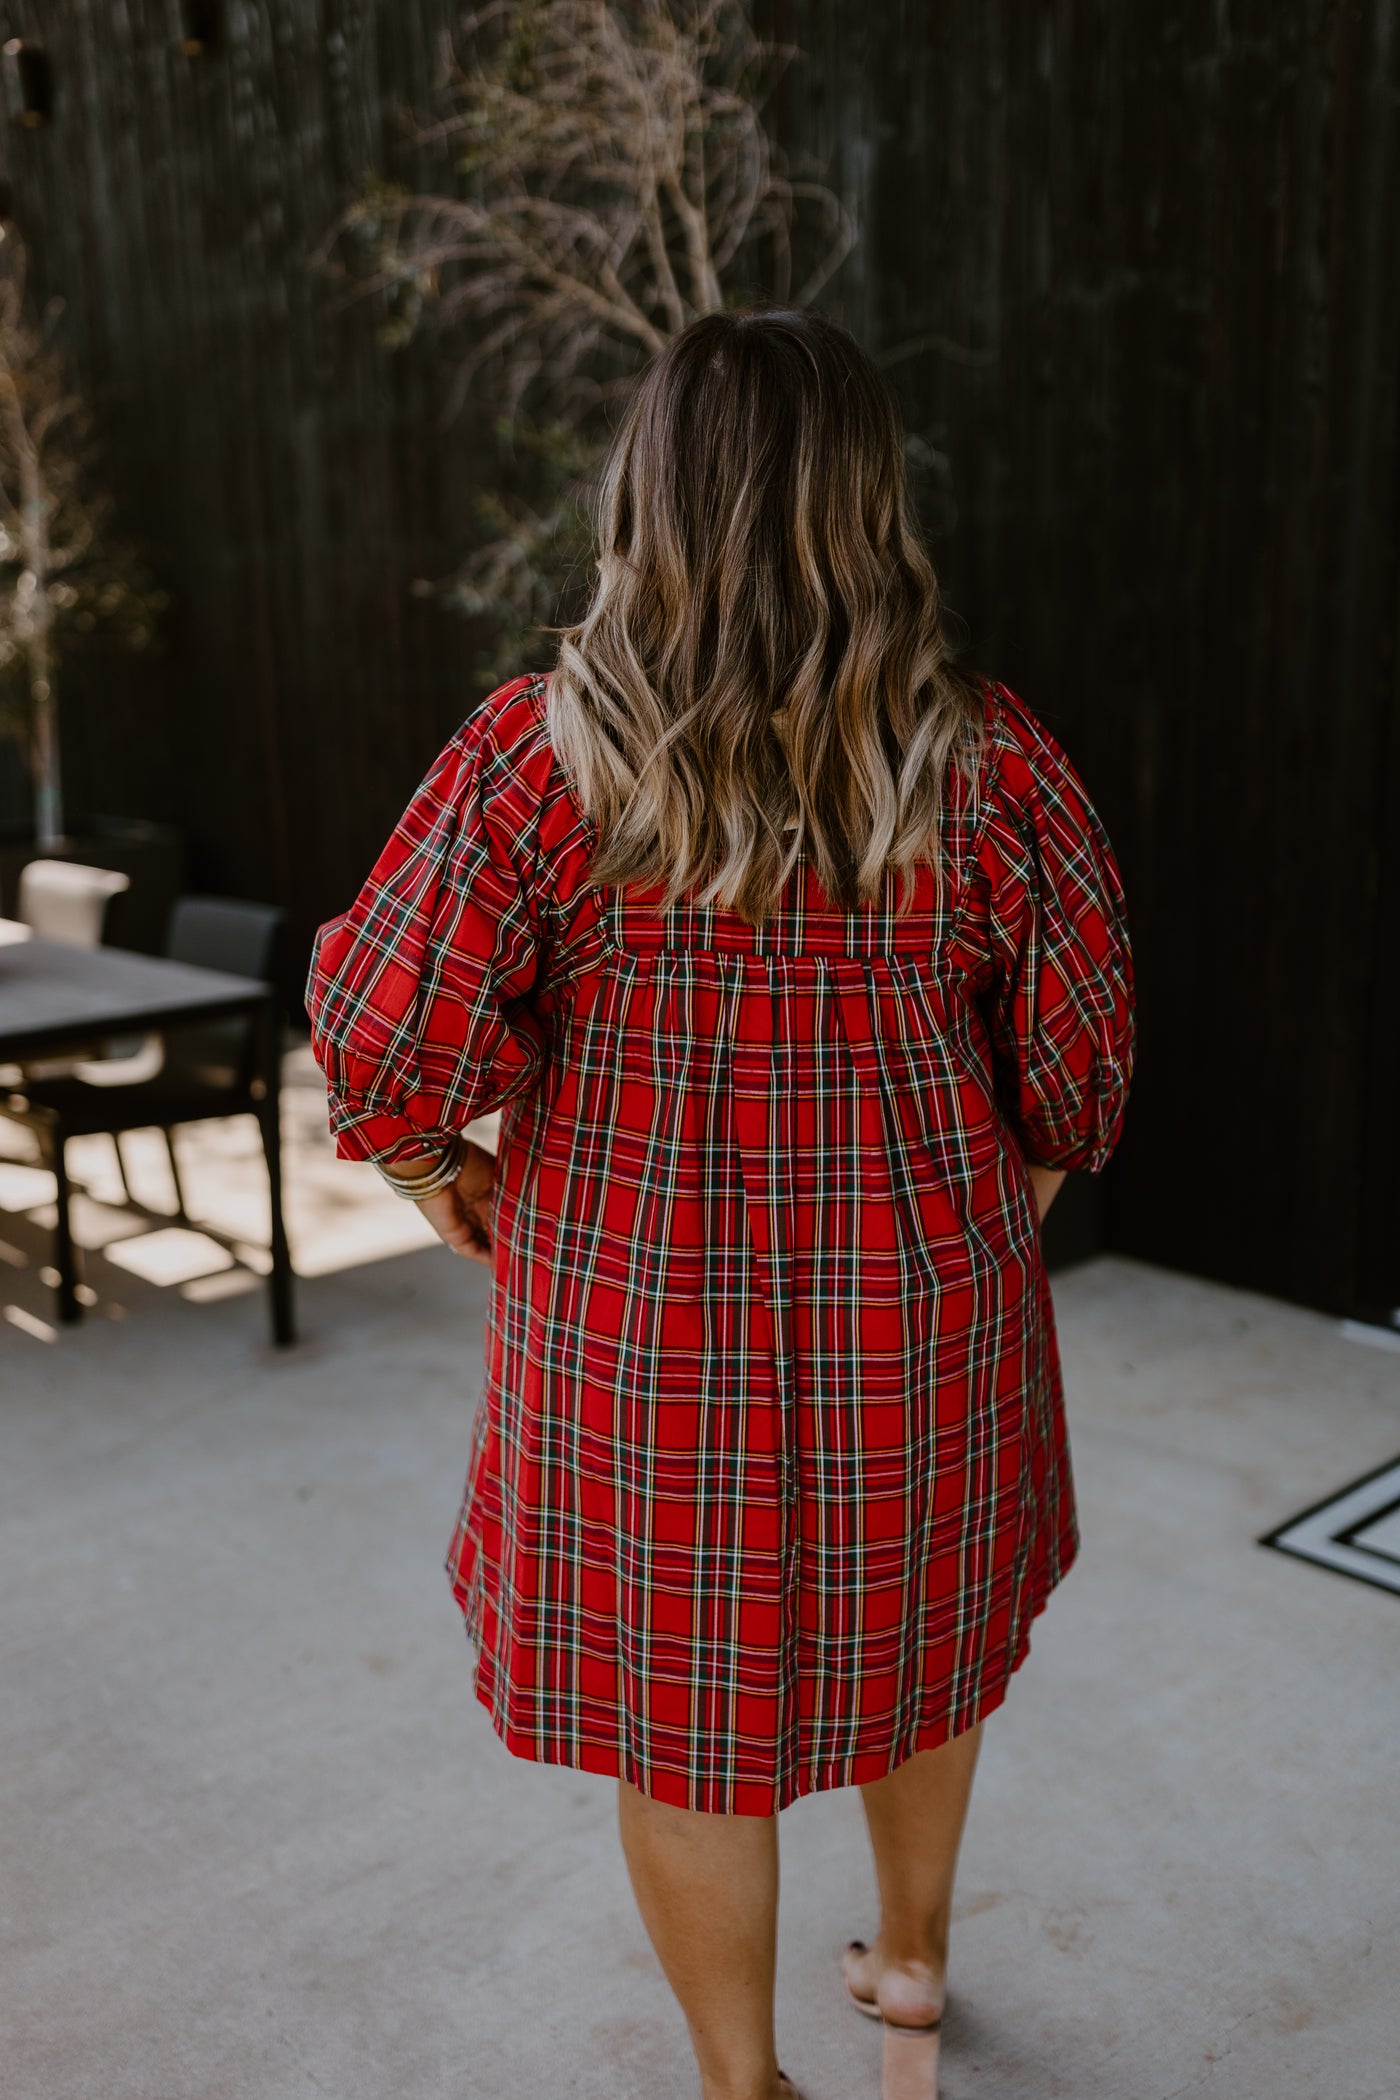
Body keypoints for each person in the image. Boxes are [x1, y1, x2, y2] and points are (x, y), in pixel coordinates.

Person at [306, 306, 1135, 2100]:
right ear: (872, 503)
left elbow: (380, 1038)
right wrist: (988, 1219)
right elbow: (1077, 1076)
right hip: (925, 1322)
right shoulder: (989, 760)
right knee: (927, 1654)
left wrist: (447, 1177)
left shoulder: (536, 762)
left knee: (689, 1729)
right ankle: (911, 1965)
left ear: (645, 494)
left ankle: (743, 2082)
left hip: (627, 1339)